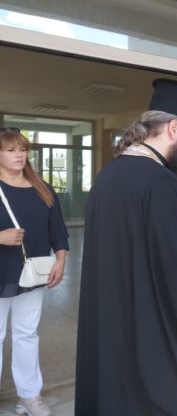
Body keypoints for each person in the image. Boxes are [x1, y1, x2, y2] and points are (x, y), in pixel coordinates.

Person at [76, 79, 177, 416]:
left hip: (114, 321)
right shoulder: (161, 181)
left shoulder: (109, 174)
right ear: (173, 128)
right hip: (149, 339)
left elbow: (145, 240)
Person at [0, 128, 68, 416]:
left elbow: (58, 229)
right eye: (11, 150)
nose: (19, 155)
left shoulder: (42, 187)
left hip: (32, 273)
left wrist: (60, 260)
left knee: (27, 334)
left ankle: (29, 396)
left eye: (23, 149)